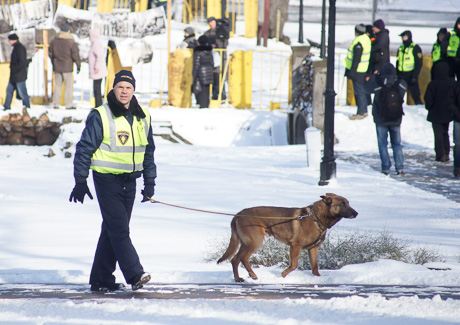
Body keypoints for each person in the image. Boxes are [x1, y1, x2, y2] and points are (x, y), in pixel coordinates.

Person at [69, 70, 155, 292]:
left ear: (133, 90)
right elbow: (85, 148)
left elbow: (148, 152)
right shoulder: (101, 115)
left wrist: (150, 183)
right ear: (114, 89)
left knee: (112, 229)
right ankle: (135, 274)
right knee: (119, 230)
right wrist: (80, 180)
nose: (124, 91)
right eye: (120, 87)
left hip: (130, 181)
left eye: (128, 87)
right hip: (106, 180)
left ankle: (101, 279)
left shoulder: (143, 116)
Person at [365, 62, 407, 175]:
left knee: (382, 143)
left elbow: (367, 89)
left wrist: (375, 76)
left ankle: (386, 168)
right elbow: (404, 89)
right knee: (396, 143)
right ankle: (400, 167)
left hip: (380, 118)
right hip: (396, 117)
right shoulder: (399, 83)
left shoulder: (378, 82)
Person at [424, 61, 455, 162]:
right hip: (448, 112)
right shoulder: (452, 83)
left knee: (438, 134)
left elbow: (428, 99)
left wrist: (430, 107)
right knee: (445, 132)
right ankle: (446, 152)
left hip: (435, 113)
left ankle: (440, 154)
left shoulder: (433, 84)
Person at [49, 23, 81, 110]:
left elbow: (50, 54)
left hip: (57, 66)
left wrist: (54, 62)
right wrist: (78, 65)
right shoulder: (71, 42)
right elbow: (75, 55)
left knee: (58, 86)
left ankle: (56, 103)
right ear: (68, 31)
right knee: (68, 87)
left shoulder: (54, 41)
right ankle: (68, 104)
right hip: (68, 67)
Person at [344, 23, 371, 120]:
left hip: (358, 70)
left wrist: (352, 71)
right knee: (361, 90)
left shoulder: (359, 41)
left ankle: (361, 112)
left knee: (359, 91)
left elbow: (356, 58)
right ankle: (363, 111)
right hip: (362, 69)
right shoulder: (366, 39)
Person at [3, 33, 30, 111]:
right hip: (14, 75)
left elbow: (22, 62)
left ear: (13, 40)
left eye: (9, 40)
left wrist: (14, 68)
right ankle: (7, 107)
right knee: (9, 91)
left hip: (19, 75)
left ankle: (27, 107)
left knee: (22, 93)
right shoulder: (16, 47)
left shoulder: (19, 48)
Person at [396, 30, 423, 105]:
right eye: (402, 37)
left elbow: (419, 63)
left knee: (416, 95)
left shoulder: (415, 48)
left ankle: (420, 109)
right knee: (398, 95)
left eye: (404, 37)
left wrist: (414, 76)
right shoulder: (400, 48)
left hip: (411, 74)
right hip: (401, 75)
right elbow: (398, 62)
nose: (403, 39)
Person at [204, 16, 228, 100]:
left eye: (212, 22)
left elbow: (224, 43)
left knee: (221, 75)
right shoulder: (207, 33)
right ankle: (215, 95)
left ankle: (222, 95)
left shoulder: (221, 31)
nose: (211, 24)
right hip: (211, 57)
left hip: (221, 57)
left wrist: (216, 45)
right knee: (214, 76)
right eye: (209, 22)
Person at [192, 35, 214, 108]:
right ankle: (206, 104)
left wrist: (194, 75)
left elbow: (196, 64)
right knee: (206, 89)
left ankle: (202, 104)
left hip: (201, 72)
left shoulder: (198, 52)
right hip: (209, 72)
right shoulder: (209, 51)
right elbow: (212, 62)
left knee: (200, 89)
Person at [88, 29, 107, 108]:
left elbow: (99, 56)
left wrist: (97, 67)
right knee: (96, 87)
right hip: (97, 70)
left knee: (97, 88)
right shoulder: (95, 43)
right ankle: (98, 104)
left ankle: (98, 105)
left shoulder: (96, 43)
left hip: (98, 71)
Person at [448, 78, 460, 177]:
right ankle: (457, 168)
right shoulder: (456, 86)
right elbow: (450, 101)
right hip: (458, 119)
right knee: (458, 145)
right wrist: (457, 113)